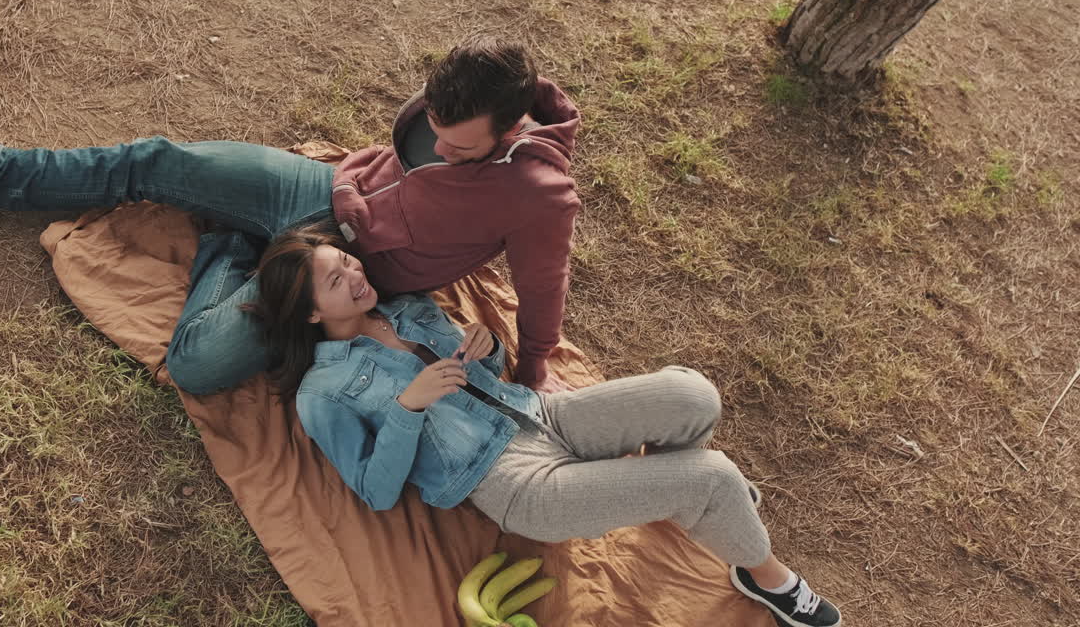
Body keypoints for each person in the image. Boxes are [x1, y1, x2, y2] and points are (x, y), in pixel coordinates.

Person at [0, 35, 579, 395]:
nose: (444, 149)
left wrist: (536, 363)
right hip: (321, 188)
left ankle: (232, 249)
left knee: (200, 363)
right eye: (437, 130)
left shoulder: (539, 194)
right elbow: (405, 159)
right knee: (155, 160)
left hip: (345, 266)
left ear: (509, 130)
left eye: (462, 150)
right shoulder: (467, 90)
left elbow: (545, 285)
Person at [247, 221, 842, 627]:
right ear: (310, 313)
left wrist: (483, 348)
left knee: (692, 395)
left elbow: (486, 372)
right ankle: (766, 577)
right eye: (336, 281)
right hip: (512, 484)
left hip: (544, 416)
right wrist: (408, 407)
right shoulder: (320, 393)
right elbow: (374, 492)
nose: (355, 277)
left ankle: (693, 501)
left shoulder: (406, 306)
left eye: (348, 262)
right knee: (710, 477)